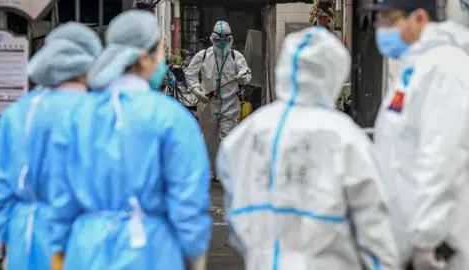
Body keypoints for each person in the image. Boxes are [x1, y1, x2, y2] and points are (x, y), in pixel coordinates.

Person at [216, 26, 399, 270]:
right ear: (334, 74)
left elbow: (235, 207)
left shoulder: (249, 133)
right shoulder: (345, 138)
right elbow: (373, 225)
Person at [48, 10, 211, 270]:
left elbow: (58, 193)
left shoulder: (78, 115)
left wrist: (59, 247)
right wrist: (194, 253)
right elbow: (188, 200)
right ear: (145, 57)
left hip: (85, 250)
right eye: (160, 50)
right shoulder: (172, 118)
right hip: (150, 250)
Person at [365, 0, 469, 269]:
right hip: (409, 239)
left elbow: (444, 156)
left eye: (389, 20)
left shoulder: (445, 67)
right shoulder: (417, 66)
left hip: (438, 249)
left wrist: (427, 239)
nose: (380, 28)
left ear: (420, 18)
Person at [0, 22, 102, 270]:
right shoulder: (98, 113)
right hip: (83, 235)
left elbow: (0, 186)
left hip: (25, 235)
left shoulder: (17, 112)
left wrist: (11, 233)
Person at [185, 20, 252, 181]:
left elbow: (246, 72)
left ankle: (224, 170)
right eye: (218, 40)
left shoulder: (236, 56)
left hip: (229, 104)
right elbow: (190, 74)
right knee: (209, 138)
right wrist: (195, 89)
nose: (221, 44)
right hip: (207, 104)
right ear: (212, 39)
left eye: (225, 40)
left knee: (227, 137)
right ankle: (210, 170)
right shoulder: (202, 56)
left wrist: (243, 78)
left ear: (230, 40)